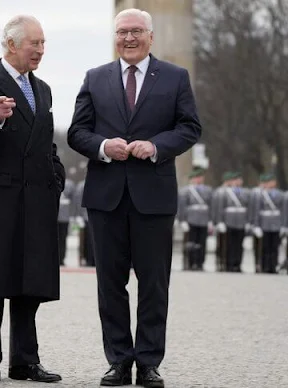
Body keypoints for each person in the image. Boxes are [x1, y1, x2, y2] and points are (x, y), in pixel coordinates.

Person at [67, 8, 201, 387]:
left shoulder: (175, 77)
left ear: (150, 36)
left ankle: (148, 362)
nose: (129, 38)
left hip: (154, 198)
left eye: (136, 31)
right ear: (115, 37)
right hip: (105, 197)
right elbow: (78, 132)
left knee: (154, 284)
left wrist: (156, 146)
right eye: (122, 31)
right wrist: (106, 146)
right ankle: (118, 361)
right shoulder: (95, 78)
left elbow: (190, 127)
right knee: (110, 284)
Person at [0, 15, 64, 383]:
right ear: (10, 45)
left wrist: (57, 175)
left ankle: (25, 360)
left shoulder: (45, 89)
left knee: (29, 282)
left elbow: (44, 141)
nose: (39, 50)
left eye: (42, 43)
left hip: (36, 197)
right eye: (33, 43)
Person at [212, 171, 249, 272]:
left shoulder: (245, 192)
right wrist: (220, 221)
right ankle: (229, 264)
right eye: (235, 180)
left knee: (239, 244)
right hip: (229, 221)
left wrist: (248, 221)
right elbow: (220, 207)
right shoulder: (224, 192)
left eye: (239, 180)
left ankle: (238, 264)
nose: (238, 182)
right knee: (229, 244)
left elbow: (248, 207)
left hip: (241, 221)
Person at [177, 168, 212, 271]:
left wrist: (210, 220)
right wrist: (182, 220)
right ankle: (190, 262)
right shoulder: (185, 191)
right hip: (190, 219)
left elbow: (211, 205)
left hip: (204, 219)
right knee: (191, 242)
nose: (198, 180)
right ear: (191, 179)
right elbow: (182, 206)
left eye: (200, 177)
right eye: (196, 177)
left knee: (202, 242)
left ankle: (200, 263)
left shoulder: (208, 190)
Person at [248, 173, 283, 273]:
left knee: (275, 247)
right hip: (264, 223)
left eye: (273, 181)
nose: (271, 183)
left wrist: (284, 225)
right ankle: (265, 266)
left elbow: (283, 210)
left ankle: (273, 266)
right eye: (269, 182)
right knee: (265, 247)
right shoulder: (260, 195)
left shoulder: (280, 194)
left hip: (276, 223)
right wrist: (256, 225)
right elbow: (256, 210)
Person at [73, 174, 95, 267]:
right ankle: (89, 260)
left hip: (89, 215)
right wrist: (78, 215)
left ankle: (91, 260)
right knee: (87, 241)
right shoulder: (82, 185)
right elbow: (77, 201)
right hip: (86, 217)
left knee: (90, 241)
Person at [57, 177, 76, 266]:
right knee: (62, 239)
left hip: (61, 216)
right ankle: (61, 258)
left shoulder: (69, 184)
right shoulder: (70, 184)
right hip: (64, 216)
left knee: (59, 239)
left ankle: (60, 258)